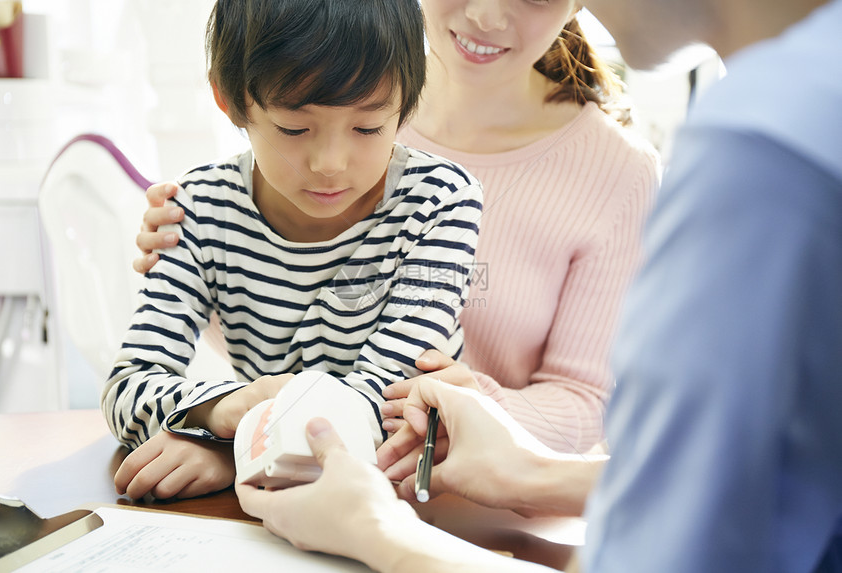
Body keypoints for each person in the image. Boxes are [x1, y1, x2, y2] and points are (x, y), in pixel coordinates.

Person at [236, 0, 842, 570]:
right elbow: (747, 477)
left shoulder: (763, 149)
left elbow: (677, 512)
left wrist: (384, 532)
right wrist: (203, 242)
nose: (488, 14)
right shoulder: (335, 120)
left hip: (465, 524)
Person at [135, 0, 661, 454]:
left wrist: (467, 407)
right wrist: (186, 254)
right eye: (296, 127)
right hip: (297, 469)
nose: (484, 15)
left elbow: (586, 401)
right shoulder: (336, 91)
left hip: (472, 498)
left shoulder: (618, 171)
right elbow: (272, 333)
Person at [103, 0, 484, 501]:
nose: (329, 163)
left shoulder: (439, 201)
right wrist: (226, 410)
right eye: (293, 129)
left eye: (367, 128)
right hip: (280, 507)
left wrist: (237, 443)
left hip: (410, 498)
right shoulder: (196, 208)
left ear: (408, 102)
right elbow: (127, 387)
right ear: (230, 99)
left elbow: (386, 405)